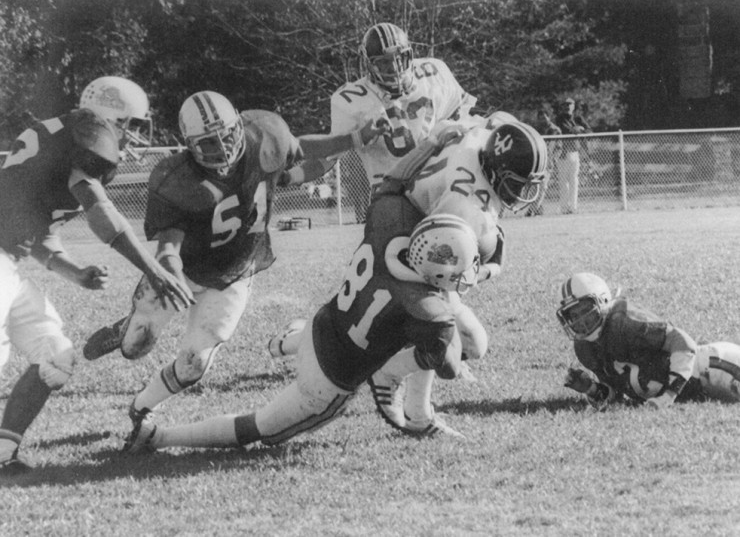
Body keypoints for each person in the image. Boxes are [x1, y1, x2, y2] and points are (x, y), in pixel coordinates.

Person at [81, 91, 385, 451]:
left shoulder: (265, 135)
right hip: (185, 272)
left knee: (194, 365)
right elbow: (168, 246)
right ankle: (124, 329)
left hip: (235, 271)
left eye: (227, 136)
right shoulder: (177, 179)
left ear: (239, 125)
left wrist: (353, 139)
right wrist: (170, 271)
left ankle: (141, 408)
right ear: (189, 146)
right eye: (208, 143)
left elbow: (300, 149)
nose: (222, 149)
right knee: (135, 347)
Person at [123, 208, 483, 454]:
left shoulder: (388, 230)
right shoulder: (429, 309)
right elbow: (448, 367)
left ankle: (286, 342)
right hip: (327, 382)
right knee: (258, 428)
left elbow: (393, 185)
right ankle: (158, 437)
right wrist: (448, 316)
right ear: (438, 269)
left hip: (321, 327)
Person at [270, 116, 548, 432]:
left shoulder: (478, 141)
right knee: (452, 337)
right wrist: (489, 268)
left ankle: (292, 340)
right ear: (495, 170)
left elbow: (479, 123)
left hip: (403, 219)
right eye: (516, 183)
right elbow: (447, 272)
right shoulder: (468, 208)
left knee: (367, 319)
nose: (522, 192)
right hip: (415, 247)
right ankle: (403, 395)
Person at [0, 76, 195, 474]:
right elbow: (100, 211)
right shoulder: (85, 136)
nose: (134, 135)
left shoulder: (62, 137)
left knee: (55, 355)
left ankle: (2, 454)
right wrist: (152, 268)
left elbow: (32, 234)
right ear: (110, 115)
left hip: (7, 261)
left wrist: (75, 272)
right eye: (132, 123)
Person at [278, 22, 477, 222]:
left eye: (400, 58)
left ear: (410, 54)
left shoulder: (434, 72)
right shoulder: (351, 99)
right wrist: (289, 176)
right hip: (392, 196)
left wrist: (451, 132)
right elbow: (325, 158)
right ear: (369, 64)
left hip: (439, 187)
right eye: (383, 62)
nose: (394, 67)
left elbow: (464, 113)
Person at [557, 272, 740, 409]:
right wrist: (590, 388)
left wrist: (668, 396)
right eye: (573, 315)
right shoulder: (584, 348)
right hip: (691, 392)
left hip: (713, 369)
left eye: (585, 310)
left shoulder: (624, 322)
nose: (580, 320)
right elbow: (618, 397)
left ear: (603, 301)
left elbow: (684, 344)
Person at [553, 98, 591, 214]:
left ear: (574, 106)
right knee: (564, 182)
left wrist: (580, 130)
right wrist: (577, 129)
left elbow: (589, 130)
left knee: (574, 180)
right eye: (565, 105)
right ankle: (564, 207)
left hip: (575, 151)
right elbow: (566, 131)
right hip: (563, 153)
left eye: (570, 104)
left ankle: (573, 207)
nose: (568, 107)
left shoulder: (578, 118)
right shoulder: (559, 119)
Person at [525, 109, 561, 217]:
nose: (542, 120)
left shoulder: (555, 130)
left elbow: (559, 147)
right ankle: (537, 208)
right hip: (537, 162)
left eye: (544, 117)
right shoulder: (535, 130)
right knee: (533, 187)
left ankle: (532, 210)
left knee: (543, 186)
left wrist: (554, 159)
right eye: (540, 118)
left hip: (548, 162)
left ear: (549, 117)